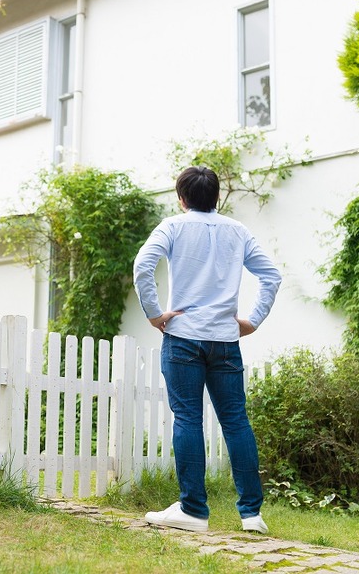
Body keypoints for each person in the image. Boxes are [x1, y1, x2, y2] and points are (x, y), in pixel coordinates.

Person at [133, 165, 281, 534]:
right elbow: (271, 276)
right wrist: (253, 320)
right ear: (217, 197)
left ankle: (194, 511)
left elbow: (142, 266)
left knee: (187, 419)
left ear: (181, 198)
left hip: (183, 337)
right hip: (226, 340)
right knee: (236, 421)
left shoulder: (172, 226)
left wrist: (154, 314)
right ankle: (252, 516)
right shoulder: (237, 230)